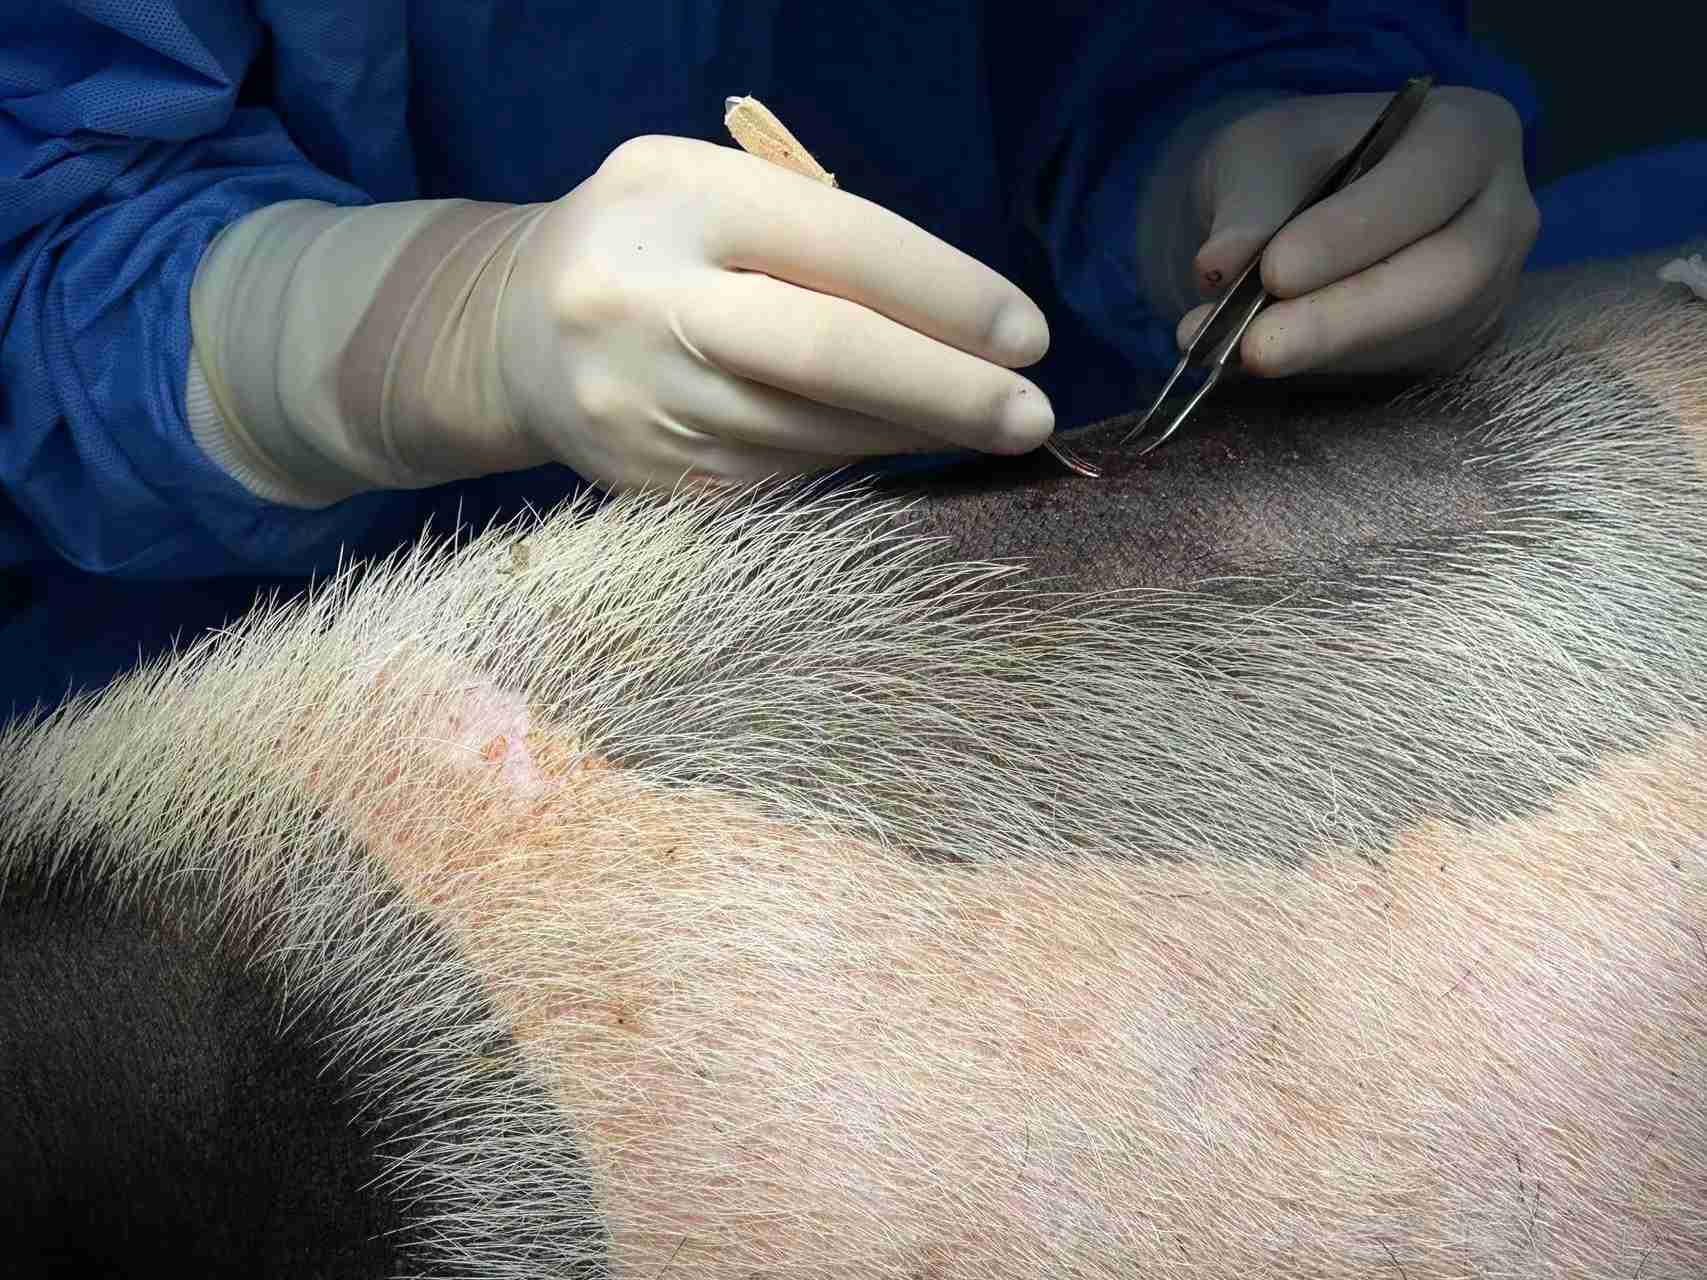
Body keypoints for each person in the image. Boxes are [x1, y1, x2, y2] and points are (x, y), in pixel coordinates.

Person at [1, 2, 1543, 715]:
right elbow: (49, 236)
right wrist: (431, 325)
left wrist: (1230, 144)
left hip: (1035, 619)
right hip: (295, 687)